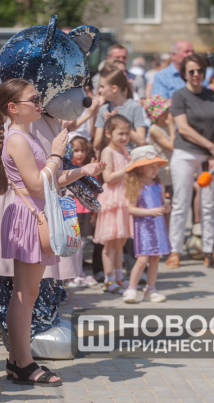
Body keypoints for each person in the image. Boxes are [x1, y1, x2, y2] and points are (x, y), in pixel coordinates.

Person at [0, 78, 104, 386]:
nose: (39, 103)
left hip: (35, 215)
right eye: (33, 100)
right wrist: (56, 154)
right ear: (13, 107)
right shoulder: (17, 138)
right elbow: (37, 185)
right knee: (25, 294)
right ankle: (23, 363)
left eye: (38, 98)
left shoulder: (25, 135)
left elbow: (50, 179)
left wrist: (82, 170)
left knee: (26, 293)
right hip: (30, 216)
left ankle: (18, 361)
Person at [166, 54, 214, 269]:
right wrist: (212, 147)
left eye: (200, 70)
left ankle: (210, 250)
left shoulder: (212, 95)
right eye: (192, 71)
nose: (196, 74)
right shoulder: (180, 95)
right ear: (185, 74)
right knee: (181, 202)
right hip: (185, 153)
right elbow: (184, 129)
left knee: (209, 204)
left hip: (209, 157)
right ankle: (175, 250)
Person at [123, 146, 170, 304]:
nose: (155, 170)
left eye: (156, 166)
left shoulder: (158, 184)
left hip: (158, 227)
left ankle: (151, 289)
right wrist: (150, 212)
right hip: (144, 228)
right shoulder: (137, 186)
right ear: (140, 168)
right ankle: (131, 289)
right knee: (142, 260)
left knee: (155, 259)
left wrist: (166, 207)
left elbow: (162, 203)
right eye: (151, 167)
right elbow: (130, 208)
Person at [94, 115, 133, 293]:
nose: (124, 137)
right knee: (110, 241)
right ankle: (109, 279)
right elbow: (108, 177)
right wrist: (128, 168)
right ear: (108, 133)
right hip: (112, 199)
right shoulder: (107, 151)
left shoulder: (124, 151)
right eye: (121, 133)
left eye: (127, 133)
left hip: (124, 198)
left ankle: (119, 276)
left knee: (121, 241)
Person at [65, 136, 98, 288]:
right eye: (76, 150)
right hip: (71, 210)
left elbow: (93, 192)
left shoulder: (88, 169)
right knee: (73, 244)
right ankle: (71, 274)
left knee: (81, 243)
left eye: (83, 150)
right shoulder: (67, 169)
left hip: (84, 211)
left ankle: (78, 272)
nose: (80, 154)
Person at [92, 69, 146, 153]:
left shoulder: (134, 107)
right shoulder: (104, 109)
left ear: (114, 88)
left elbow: (141, 141)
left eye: (102, 87)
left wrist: (119, 122)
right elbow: (96, 144)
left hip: (130, 156)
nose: (100, 90)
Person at [145, 95, 175, 224]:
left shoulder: (168, 126)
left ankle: (170, 232)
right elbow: (172, 145)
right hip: (162, 174)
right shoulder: (154, 129)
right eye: (165, 110)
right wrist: (172, 126)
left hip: (172, 173)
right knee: (164, 206)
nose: (168, 112)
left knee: (171, 206)